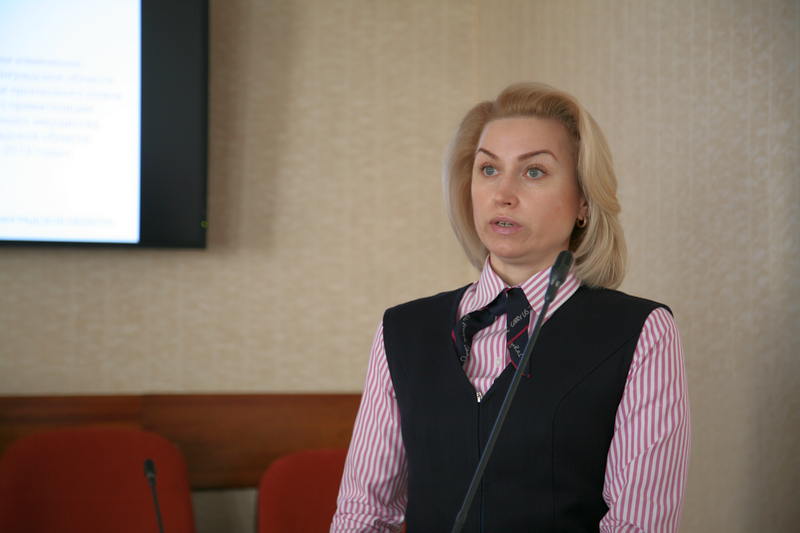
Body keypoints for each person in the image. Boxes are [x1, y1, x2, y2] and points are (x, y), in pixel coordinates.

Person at [331, 82, 690, 532]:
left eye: (534, 171)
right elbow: (364, 514)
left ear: (583, 201)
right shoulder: (402, 329)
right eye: (488, 169)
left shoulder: (642, 332)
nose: (503, 193)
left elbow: (638, 526)